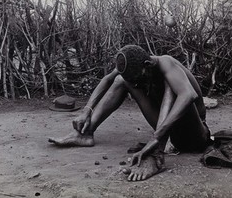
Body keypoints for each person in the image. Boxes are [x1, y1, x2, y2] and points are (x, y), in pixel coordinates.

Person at [49, 45, 211, 181]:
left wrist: (155, 138)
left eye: (138, 79)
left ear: (148, 64)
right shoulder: (138, 65)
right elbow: (107, 79)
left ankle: (156, 156)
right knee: (120, 80)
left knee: (171, 86)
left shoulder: (167, 64)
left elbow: (188, 95)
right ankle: (86, 133)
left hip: (194, 136)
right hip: (169, 131)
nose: (137, 85)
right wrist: (86, 111)